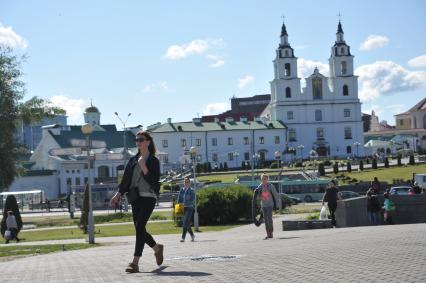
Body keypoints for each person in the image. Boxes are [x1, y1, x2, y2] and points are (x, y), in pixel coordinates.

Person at [110, 131, 164, 273]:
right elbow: (126, 180)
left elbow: (154, 182)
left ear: (147, 142)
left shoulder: (153, 161)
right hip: (135, 198)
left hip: (149, 197)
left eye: (141, 140)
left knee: (140, 226)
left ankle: (135, 262)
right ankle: (157, 248)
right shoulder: (133, 160)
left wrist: (144, 167)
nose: (138, 142)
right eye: (137, 140)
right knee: (139, 228)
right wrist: (118, 194)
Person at [255, 174, 281, 239]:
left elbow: (276, 195)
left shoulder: (270, 186)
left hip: (270, 204)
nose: (263, 180)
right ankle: (268, 233)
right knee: (266, 220)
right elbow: (257, 195)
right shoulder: (260, 187)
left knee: (269, 218)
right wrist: (256, 192)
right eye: (262, 179)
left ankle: (271, 232)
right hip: (263, 205)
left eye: (265, 179)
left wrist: (278, 204)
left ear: (267, 179)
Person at [178, 177, 196, 242]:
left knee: (185, 222)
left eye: (187, 182)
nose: (186, 183)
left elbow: (193, 199)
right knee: (186, 223)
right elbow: (179, 199)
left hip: (189, 207)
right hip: (183, 208)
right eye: (185, 182)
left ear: (189, 183)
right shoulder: (181, 190)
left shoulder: (191, 190)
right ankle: (192, 235)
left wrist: (187, 202)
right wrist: (178, 206)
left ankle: (183, 238)